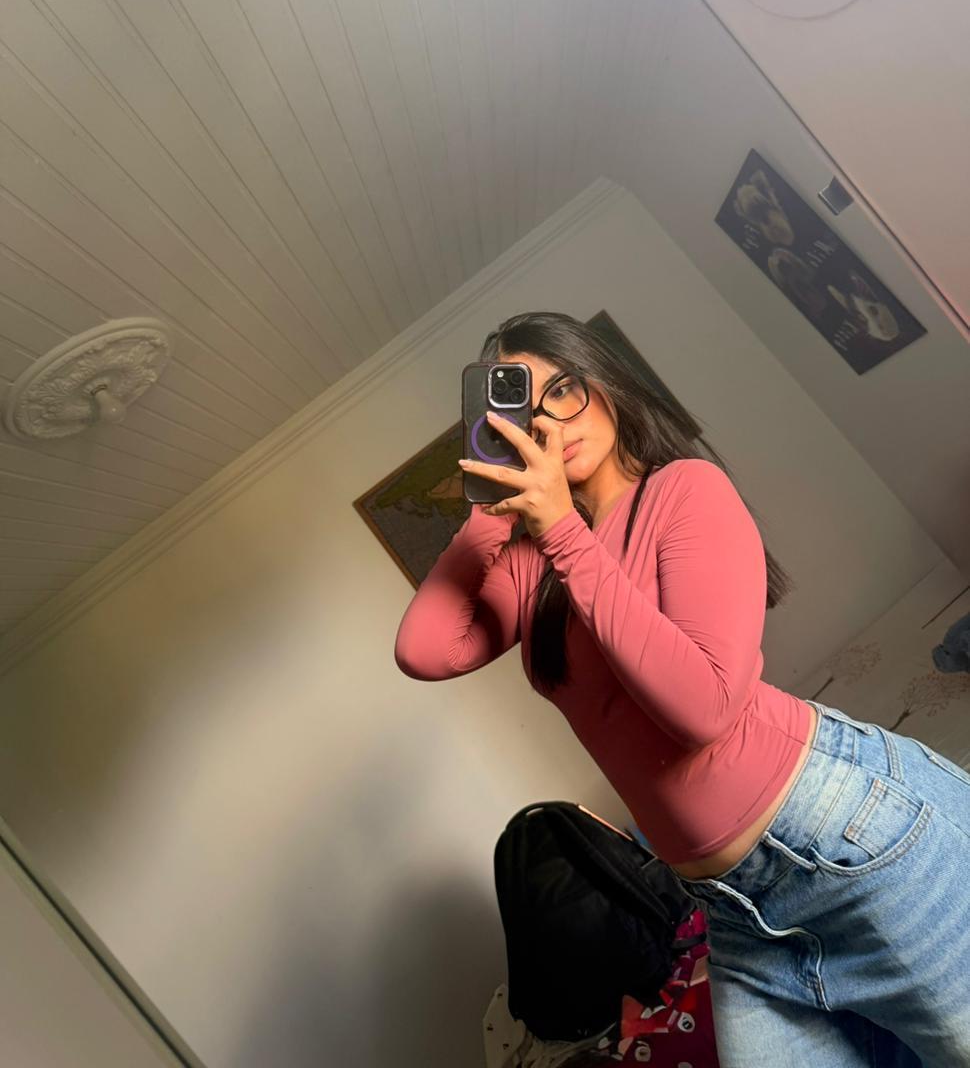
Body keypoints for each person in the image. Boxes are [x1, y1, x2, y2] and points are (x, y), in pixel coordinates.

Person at [394, 311, 970, 1068]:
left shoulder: (682, 491)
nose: (550, 423)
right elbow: (427, 651)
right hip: (730, 909)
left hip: (835, 836)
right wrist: (486, 510)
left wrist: (563, 530)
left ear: (605, 385)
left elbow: (705, 710)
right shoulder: (536, 566)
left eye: (562, 390)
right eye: (524, 413)